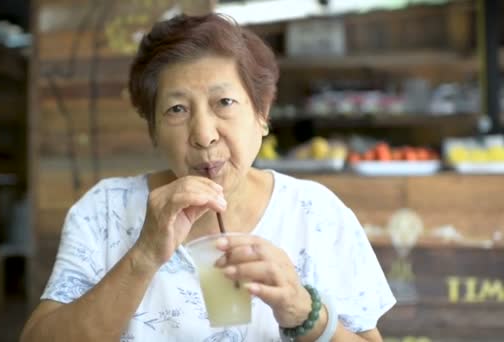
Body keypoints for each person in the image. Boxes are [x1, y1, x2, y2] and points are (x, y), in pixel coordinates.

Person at [21, 13, 395, 342]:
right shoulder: (104, 211)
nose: (204, 134)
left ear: (262, 114)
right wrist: (144, 255)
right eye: (177, 109)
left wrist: (303, 311)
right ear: (153, 130)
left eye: (224, 102)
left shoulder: (317, 214)